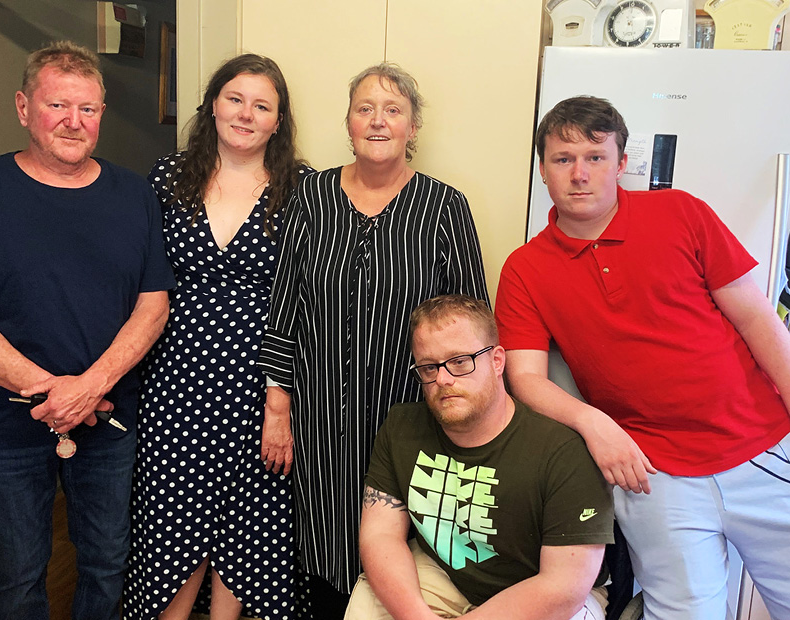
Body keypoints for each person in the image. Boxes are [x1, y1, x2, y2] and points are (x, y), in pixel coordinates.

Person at [495, 96, 790, 620]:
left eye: (595, 156)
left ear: (621, 162)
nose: (580, 173)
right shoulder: (524, 268)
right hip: (652, 473)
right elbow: (525, 379)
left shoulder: (681, 212)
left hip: (763, 448)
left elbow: (759, 322)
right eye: (563, 159)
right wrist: (595, 425)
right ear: (542, 169)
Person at [258, 63, 489, 617]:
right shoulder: (309, 197)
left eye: (393, 110)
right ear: (348, 123)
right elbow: (285, 307)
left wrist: (466, 416)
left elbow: (469, 324)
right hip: (320, 418)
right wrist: (278, 405)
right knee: (321, 544)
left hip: (411, 414)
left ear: (414, 128)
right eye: (365, 109)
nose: (378, 121)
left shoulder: (445, 207)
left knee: (408, 548)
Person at [0, 41, 174, 620]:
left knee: (106, 564)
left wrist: (89, 387)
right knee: (19, 576)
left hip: (109, 416)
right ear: (23, 107)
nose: (74, 122)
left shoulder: (135, 195)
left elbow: (152, 305)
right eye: (58, 105)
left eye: (89, 109)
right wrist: (50, 393)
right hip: (7, 420)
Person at [123, 54, 311, 620]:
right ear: (211, 105)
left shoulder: (302, 188)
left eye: (262, 105)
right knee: (171, 517)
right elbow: (134, 275)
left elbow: (302, 300)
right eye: (235, 98)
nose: (246, 114)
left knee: (245, 521)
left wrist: (280, 401)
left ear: (278, 121)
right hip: (173, 376)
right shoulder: (166, 176)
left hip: (258, 383)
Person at [345, 294, 613, 620]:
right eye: (429, 367)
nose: (443, 379)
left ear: (497, 361)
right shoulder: (401, 427)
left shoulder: (564, 453)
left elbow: (562, 589)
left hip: (540, 590)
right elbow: (380, 536)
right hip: (445, 570)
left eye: (460, 361)